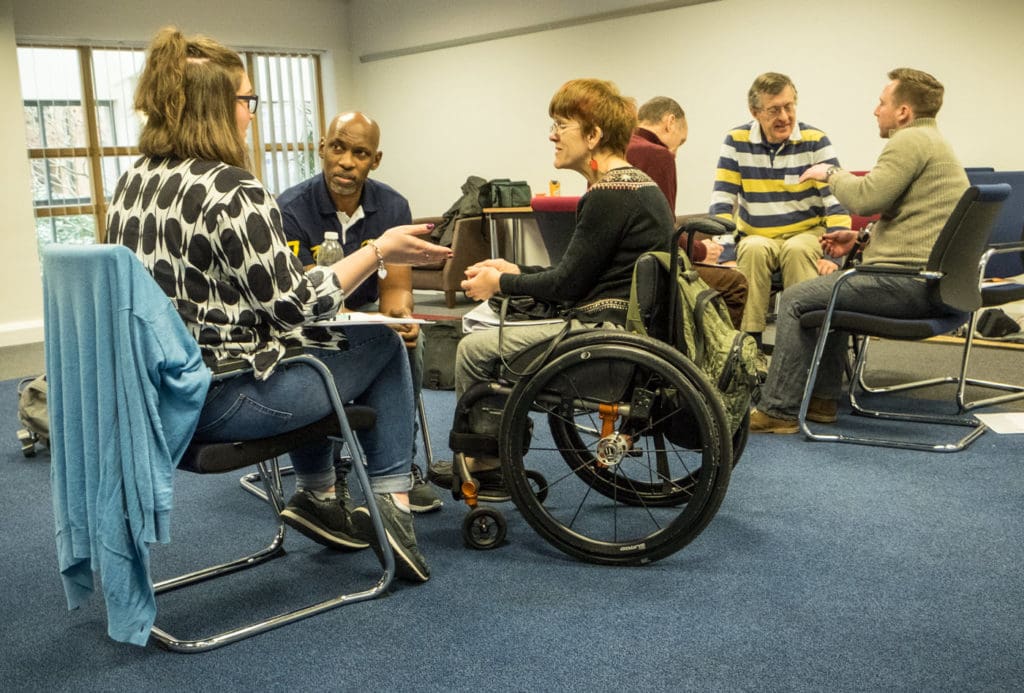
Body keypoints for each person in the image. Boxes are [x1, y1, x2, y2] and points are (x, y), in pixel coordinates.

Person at [104, 27, 452, 582]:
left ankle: (319, 496)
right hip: (219, 403)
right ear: (217, 107)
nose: (252, 113)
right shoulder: (233, 190)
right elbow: (295, 308)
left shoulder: (132, 184)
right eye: (247, 100)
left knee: (322, 346)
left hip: (151, 401)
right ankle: (394, 511)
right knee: (383, 341)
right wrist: (378, 249)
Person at [453, 78, 673, 497]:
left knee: (474, 351)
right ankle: (495, 450)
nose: (552, 135)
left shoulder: (609, 194)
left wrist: (499, 282)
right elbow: (580, 272)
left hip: (603, 343)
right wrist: (515, 268)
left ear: (593, 135)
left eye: (561, 125)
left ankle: (488, 463)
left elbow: (568, 285)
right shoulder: (636, 187)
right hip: (624, 334)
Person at [750, 67, 969, 433]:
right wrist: (860, 239)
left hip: (907, 286)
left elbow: (867, 199)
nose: (875, 110)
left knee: (794, 300)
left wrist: (830, 174)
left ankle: (778, 410)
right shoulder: (934, 142)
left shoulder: (908, 141)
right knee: (830, 296)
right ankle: (820, 403)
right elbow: (909, 217)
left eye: (882, 102)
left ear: (903, 112)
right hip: (934, 286)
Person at [277, 111, 443, 514]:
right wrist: (364, 323)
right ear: (321, 148)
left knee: (409, 344)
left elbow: (398, 289)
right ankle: (322, 462)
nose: (347, 162)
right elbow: (299, 298)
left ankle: (400, 464)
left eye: (360, 153)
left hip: (366, 310)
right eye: (338, 148)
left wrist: (400, 317)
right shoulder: (290, 209)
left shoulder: (392, 206)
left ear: (375, 160)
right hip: (311, 318)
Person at [709, 72, 851, 351]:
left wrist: (831, 255)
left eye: (789, 106)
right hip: (757, 235)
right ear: (755, 112)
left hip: (807, 233)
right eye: (774, 110)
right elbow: (722, 201)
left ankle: (802, 347)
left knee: (796, 249)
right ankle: (749, 349)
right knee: (752, 249)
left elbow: (836, 200)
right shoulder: (736, 140)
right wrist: (724, 253)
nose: (784, 117)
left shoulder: (815, 140)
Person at [627, 96, 748, 329]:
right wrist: (701, 251)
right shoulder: (658, 154)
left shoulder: (618, 147)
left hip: (621, 264)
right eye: (679, 143)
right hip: (650, 267)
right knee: (735, 284)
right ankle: (716, 359)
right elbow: (663, 229)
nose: (675, 152)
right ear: (669, 122)